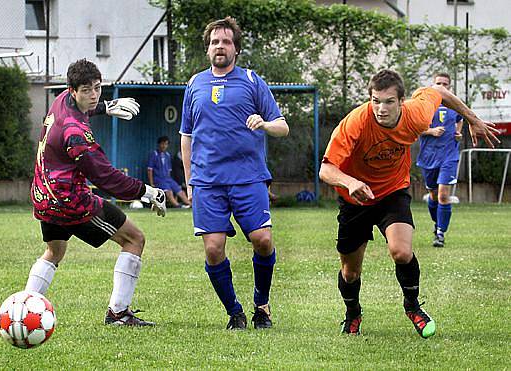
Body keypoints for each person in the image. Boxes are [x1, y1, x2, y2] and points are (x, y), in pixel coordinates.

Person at [319, 69, 499, 338]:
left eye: (389, 101)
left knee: (401, 252)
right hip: (355, 198)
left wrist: (471, 119)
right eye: (375, 100)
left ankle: (413, 306)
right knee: (350, 272)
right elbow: (326, 170)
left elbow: (440, 93)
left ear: (402, 101)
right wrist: (350, 183)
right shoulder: (355, 122)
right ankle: (352, 313)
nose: (381, 108)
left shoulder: (416, 113)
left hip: (392, 192)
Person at [26, 59, 167, 327]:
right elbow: (105, 177)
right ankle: (118, 314)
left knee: (54, 252)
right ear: (73, 89)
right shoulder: (76, 134)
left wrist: (106, 107)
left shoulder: (61, 101)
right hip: (70, 202)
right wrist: (148, 192)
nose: (93, 95)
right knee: (134, 239)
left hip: (44, 196)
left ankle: (23, 308)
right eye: (86, 90)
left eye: (97, 88)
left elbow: (82, 109)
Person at [180, 17, 289, 330]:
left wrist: (265, 124)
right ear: (208, 49)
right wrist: (189, 181)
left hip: (248, 176)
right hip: (207, 181)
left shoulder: (252, 81)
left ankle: (262, 305)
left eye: (226, 42)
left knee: (263, 239)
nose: (219, 46)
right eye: (215, 42)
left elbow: (282, 127)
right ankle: (235, 313)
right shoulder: (194, 84)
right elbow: (186, 136)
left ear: (236, 49)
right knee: (214, 250)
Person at [416, 73, 463, 248]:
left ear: (449, 87)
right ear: (433, 85)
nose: (442, 86)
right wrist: (430, 131)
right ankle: (437, 225)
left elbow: (460, 120)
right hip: (429, 157)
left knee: (444, 195)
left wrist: (457, 133)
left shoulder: (455, 105)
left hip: (449, 156)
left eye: (445, 84)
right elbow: (414, 128)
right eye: (438, 83)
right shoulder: (425, 106)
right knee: (434, 196)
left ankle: (441, 234)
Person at [147, 136, 191, 208]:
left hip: (168, 179)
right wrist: (151, 183)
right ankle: (178, 206)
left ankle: (190, 205)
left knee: (180, 191)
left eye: (166, 144)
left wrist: (170, 179)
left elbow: (169, 170)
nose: (164, 146)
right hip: (159, 179)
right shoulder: (154, 154)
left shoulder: (167, 155)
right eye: (162, 144)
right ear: (159, 144)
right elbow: (150, 170)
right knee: (169, 192)